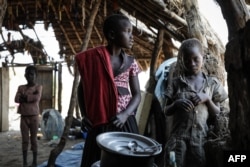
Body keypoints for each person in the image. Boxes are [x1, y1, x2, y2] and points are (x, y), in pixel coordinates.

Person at [76, 14, 141, 167]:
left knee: (127, 161)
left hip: (123, 122)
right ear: (112, 35)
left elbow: (137, 94)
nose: (132, 37)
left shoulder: (131, 63)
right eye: (128, 31)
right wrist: (84, 115)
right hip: (99, 121)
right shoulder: (94, 59)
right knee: (97, 161)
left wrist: (125, 114)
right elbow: (81, 89)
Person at [163, 38, 228, 167]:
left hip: (199, 141)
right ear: (182, 61)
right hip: (177, 140)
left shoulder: (211, 84)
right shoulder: (176, 83)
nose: (191, 63)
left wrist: (207, 100)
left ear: (202, 58)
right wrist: (176, 104)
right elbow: (166, 110)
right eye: (186, 60)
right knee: (172, 164)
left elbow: (217, 113)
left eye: (195, 59)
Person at [14, 66, 43, 167]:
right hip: (24, 117)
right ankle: (25, 162)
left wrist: (24, 97)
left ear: (36, 75)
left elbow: (36, 98)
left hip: (34, 117)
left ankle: (34, 162)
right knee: (25, 140)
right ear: (25, 75)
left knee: (34, 140)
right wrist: (28, 97)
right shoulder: (21, 87)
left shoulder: (38, 87)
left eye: (31, 74)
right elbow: (16, 99)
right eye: (27, 74)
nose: (29, 76)